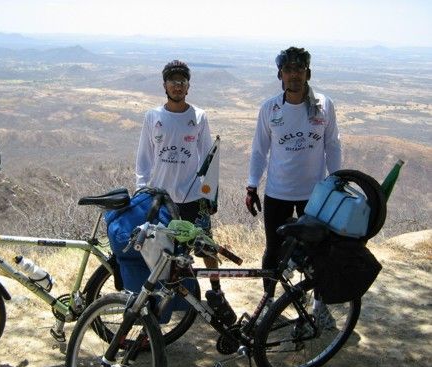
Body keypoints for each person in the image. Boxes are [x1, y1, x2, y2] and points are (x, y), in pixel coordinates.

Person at [246, 47, 342, 326]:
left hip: (315, 194)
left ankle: (319, 306)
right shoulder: (270, 108)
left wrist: (336, 180)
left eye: (299, 69)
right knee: (273, 250)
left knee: (320, 252)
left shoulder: (324, 105)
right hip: (278, 192)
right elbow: (258, 151)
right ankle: (268, 305)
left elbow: (332, 145)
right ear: (280, 75)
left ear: (307, 73)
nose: (294, 75)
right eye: (288, 70)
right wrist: (251, 186)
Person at [136, 60, 235, 325]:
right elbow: (144, 159)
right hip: (161, 199)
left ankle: (216, 293)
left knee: (207, 247)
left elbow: (209, 161)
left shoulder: (199, 117)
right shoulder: (152, 117)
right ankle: (164, 297)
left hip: (193, 198)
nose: (177, 85)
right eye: (173, 80)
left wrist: (210, 195)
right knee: (162, 252)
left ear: (188, 86)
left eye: (182, 81)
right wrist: (141, 190)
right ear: (164, 85)